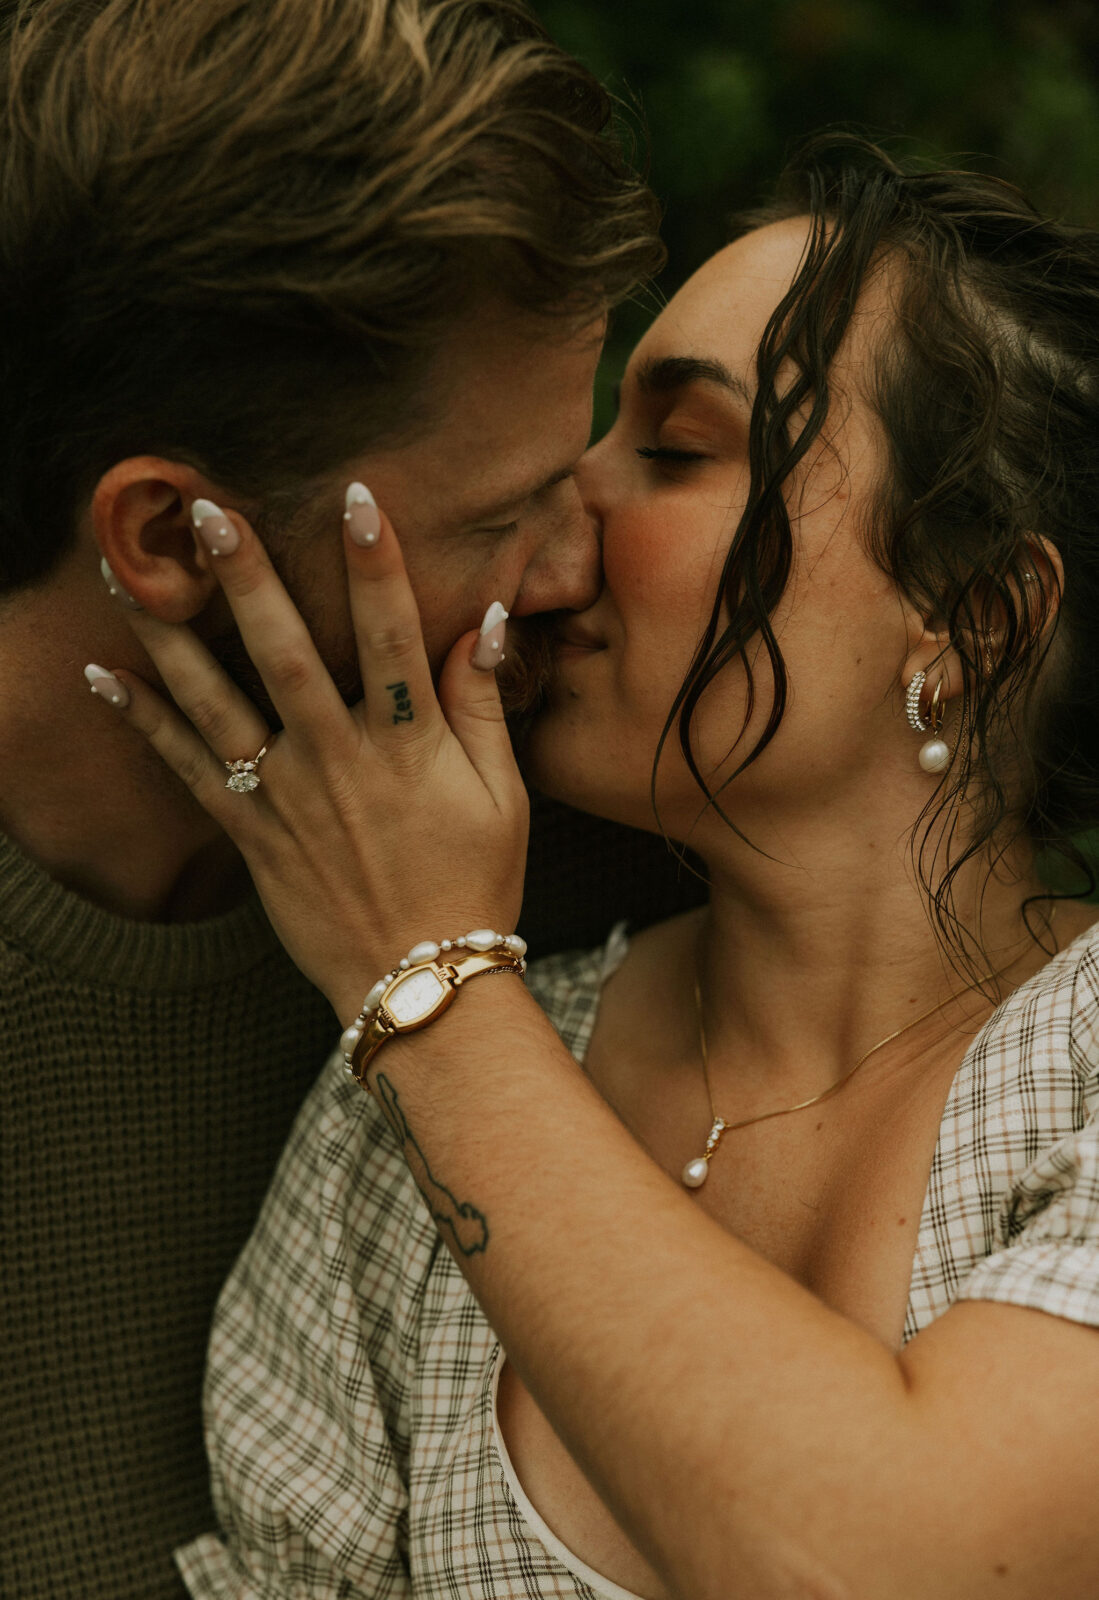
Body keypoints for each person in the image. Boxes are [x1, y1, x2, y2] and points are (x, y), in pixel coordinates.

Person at [103, 137, 1099, 1599]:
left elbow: (903, 1561)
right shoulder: (407, 1105)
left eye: (677, 451)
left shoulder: (436, 1042)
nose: (557, 507)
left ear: (978, 618)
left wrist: (427, 980)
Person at [0, 0, 663, 1593]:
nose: (577, 569)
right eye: (503, 512)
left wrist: (440, 975)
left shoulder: (585, 871)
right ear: (163, 538)